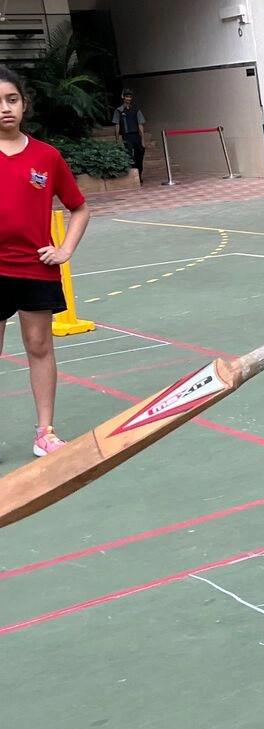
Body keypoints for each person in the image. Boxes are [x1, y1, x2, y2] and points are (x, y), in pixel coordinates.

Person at [0, 66, 90, 456]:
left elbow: (79, 208)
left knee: (39, 347)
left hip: (36, 269)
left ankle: (44, 432)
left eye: (12, 99)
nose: (5, 108)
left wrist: (65, 249)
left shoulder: (46, 156)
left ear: (25, 104)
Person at [112, 88, 146, 183]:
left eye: (130, 97)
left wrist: (143, 140)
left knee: (140, 155)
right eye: (127, 96)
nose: (128, 99)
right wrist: (117, 139)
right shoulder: (118, 111)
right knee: (130, 155)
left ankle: (139, 174)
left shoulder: (136, 110)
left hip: (136, 135)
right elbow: (117, 125)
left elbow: (140, 124)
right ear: (123, 97)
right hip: (126, 136)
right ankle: (133, 175)